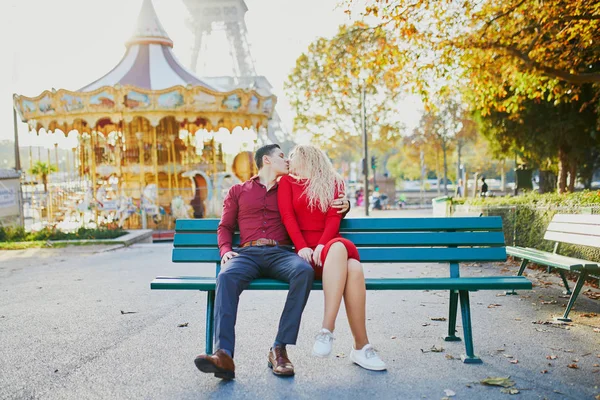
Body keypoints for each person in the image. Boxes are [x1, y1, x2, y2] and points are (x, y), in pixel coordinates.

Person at [193, 144, 349, 380]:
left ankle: (279, 348)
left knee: (303, 271)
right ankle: (223, 354)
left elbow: (319, 205)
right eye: (282, 156)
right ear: (266, 160)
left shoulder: (291, 188)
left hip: (281, 254)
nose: (288, 161)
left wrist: (345, 207)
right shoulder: (238, 191)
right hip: (247, 254)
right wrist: (225, 250)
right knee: (225, 277)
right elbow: (224, 227)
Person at [278, 144, 386, 371]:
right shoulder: (287, 183)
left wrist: (320, 245)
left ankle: (327, 330)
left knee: (340, 251)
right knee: (354, 268)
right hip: (304, 256)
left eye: (292, 156)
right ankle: (361, 347)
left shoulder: (333, 181)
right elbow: (288, 216)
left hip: (328, 248)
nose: (289, 160)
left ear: (306, 158)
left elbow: (333, 219)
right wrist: (301, 247)